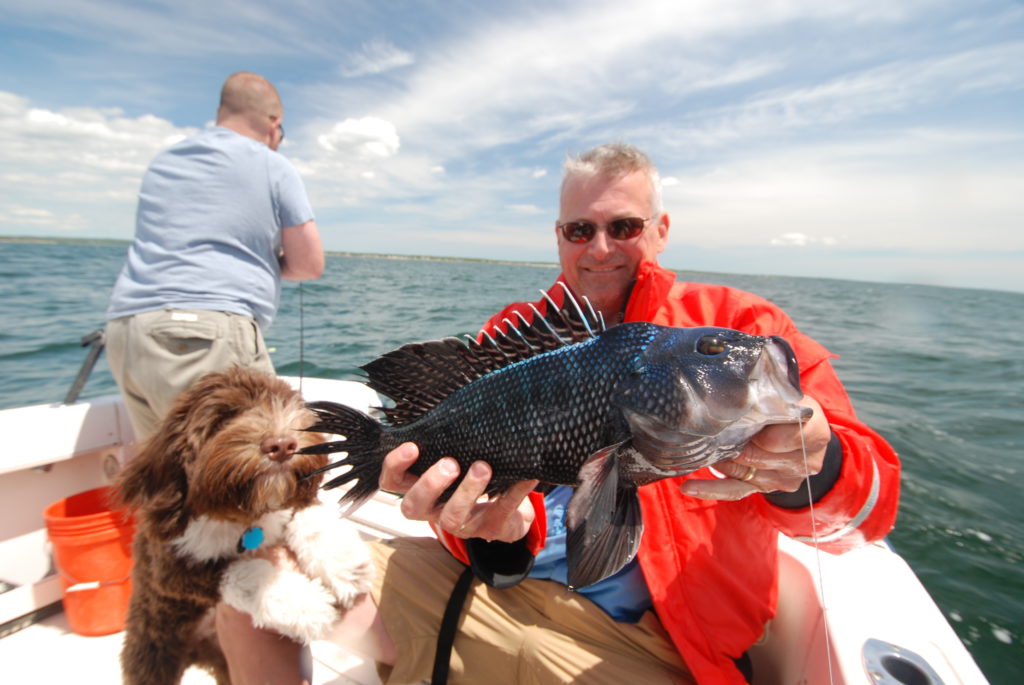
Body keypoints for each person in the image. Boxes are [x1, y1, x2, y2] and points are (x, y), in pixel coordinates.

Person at [218, 143, 900, 684]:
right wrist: (494, 535)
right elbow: (485, 519)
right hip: (489, 595)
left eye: (623, 227)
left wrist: (816, 463)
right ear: (559, 237)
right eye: (581, 229)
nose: (600, 247)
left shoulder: (740, 329)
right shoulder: (514, 334)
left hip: (652, 648)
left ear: (660, 230)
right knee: (250, 577)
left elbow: (871, 511)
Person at [105, 71, 324, 440]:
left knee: (165, 470)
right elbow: (309, 264)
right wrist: (268, 260)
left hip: (126, 331)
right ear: (274, 124)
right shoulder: (272, 164)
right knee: (258, 468)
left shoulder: (165, 160)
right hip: (200, 335)